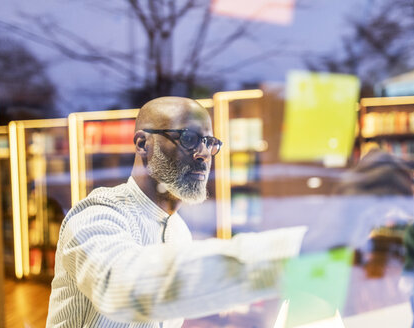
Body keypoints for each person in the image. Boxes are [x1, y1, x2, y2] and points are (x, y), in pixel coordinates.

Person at [46, 97, 306, 327]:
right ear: (141, 143)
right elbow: (120, 287)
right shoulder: (96, 214)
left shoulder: (179, 229)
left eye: (209, 142)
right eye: (189, 139)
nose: (204, 154)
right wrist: (292, 253)